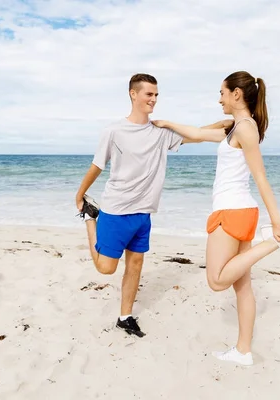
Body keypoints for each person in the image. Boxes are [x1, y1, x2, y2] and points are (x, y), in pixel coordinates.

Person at [152, 70, 280, 365]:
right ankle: (243, 351)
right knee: (243, 286)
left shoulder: (245, 128)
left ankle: (273, 242)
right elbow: (198, 134)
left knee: (216, 281)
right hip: (240, 210)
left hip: (232, 211)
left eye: (222, 93)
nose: (219, 99)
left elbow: (260, 176)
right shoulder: (237, 127)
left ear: (236, 94)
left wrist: (277, 221)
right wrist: (165, 123)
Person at [75, 73, 189, 338]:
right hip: (116, 209)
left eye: (156, 95)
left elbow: (197, 135)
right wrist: (80, 194)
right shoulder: (114, 131)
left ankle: (125, 317)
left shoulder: (161, 132)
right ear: (133, 94)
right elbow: (97, 165)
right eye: (149, 94)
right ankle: (90, 219)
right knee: (106, 268)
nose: (154, 100)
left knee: (135, 264)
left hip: (144, 211)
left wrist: (235, 122)